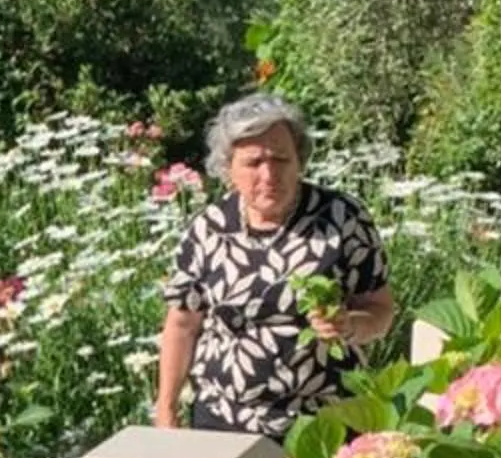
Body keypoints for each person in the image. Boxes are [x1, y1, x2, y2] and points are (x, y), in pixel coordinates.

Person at [153, 93, 394, 440]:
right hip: (223, 423)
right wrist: (166, 410)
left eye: (281, 159)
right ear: (228, 169)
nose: (269, 174)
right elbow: (182, 325)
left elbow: (381, 312)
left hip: (323, 424)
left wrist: (349, 325)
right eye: (253, 162)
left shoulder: (342, 219)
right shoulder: (209, 229)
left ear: (300, 161)